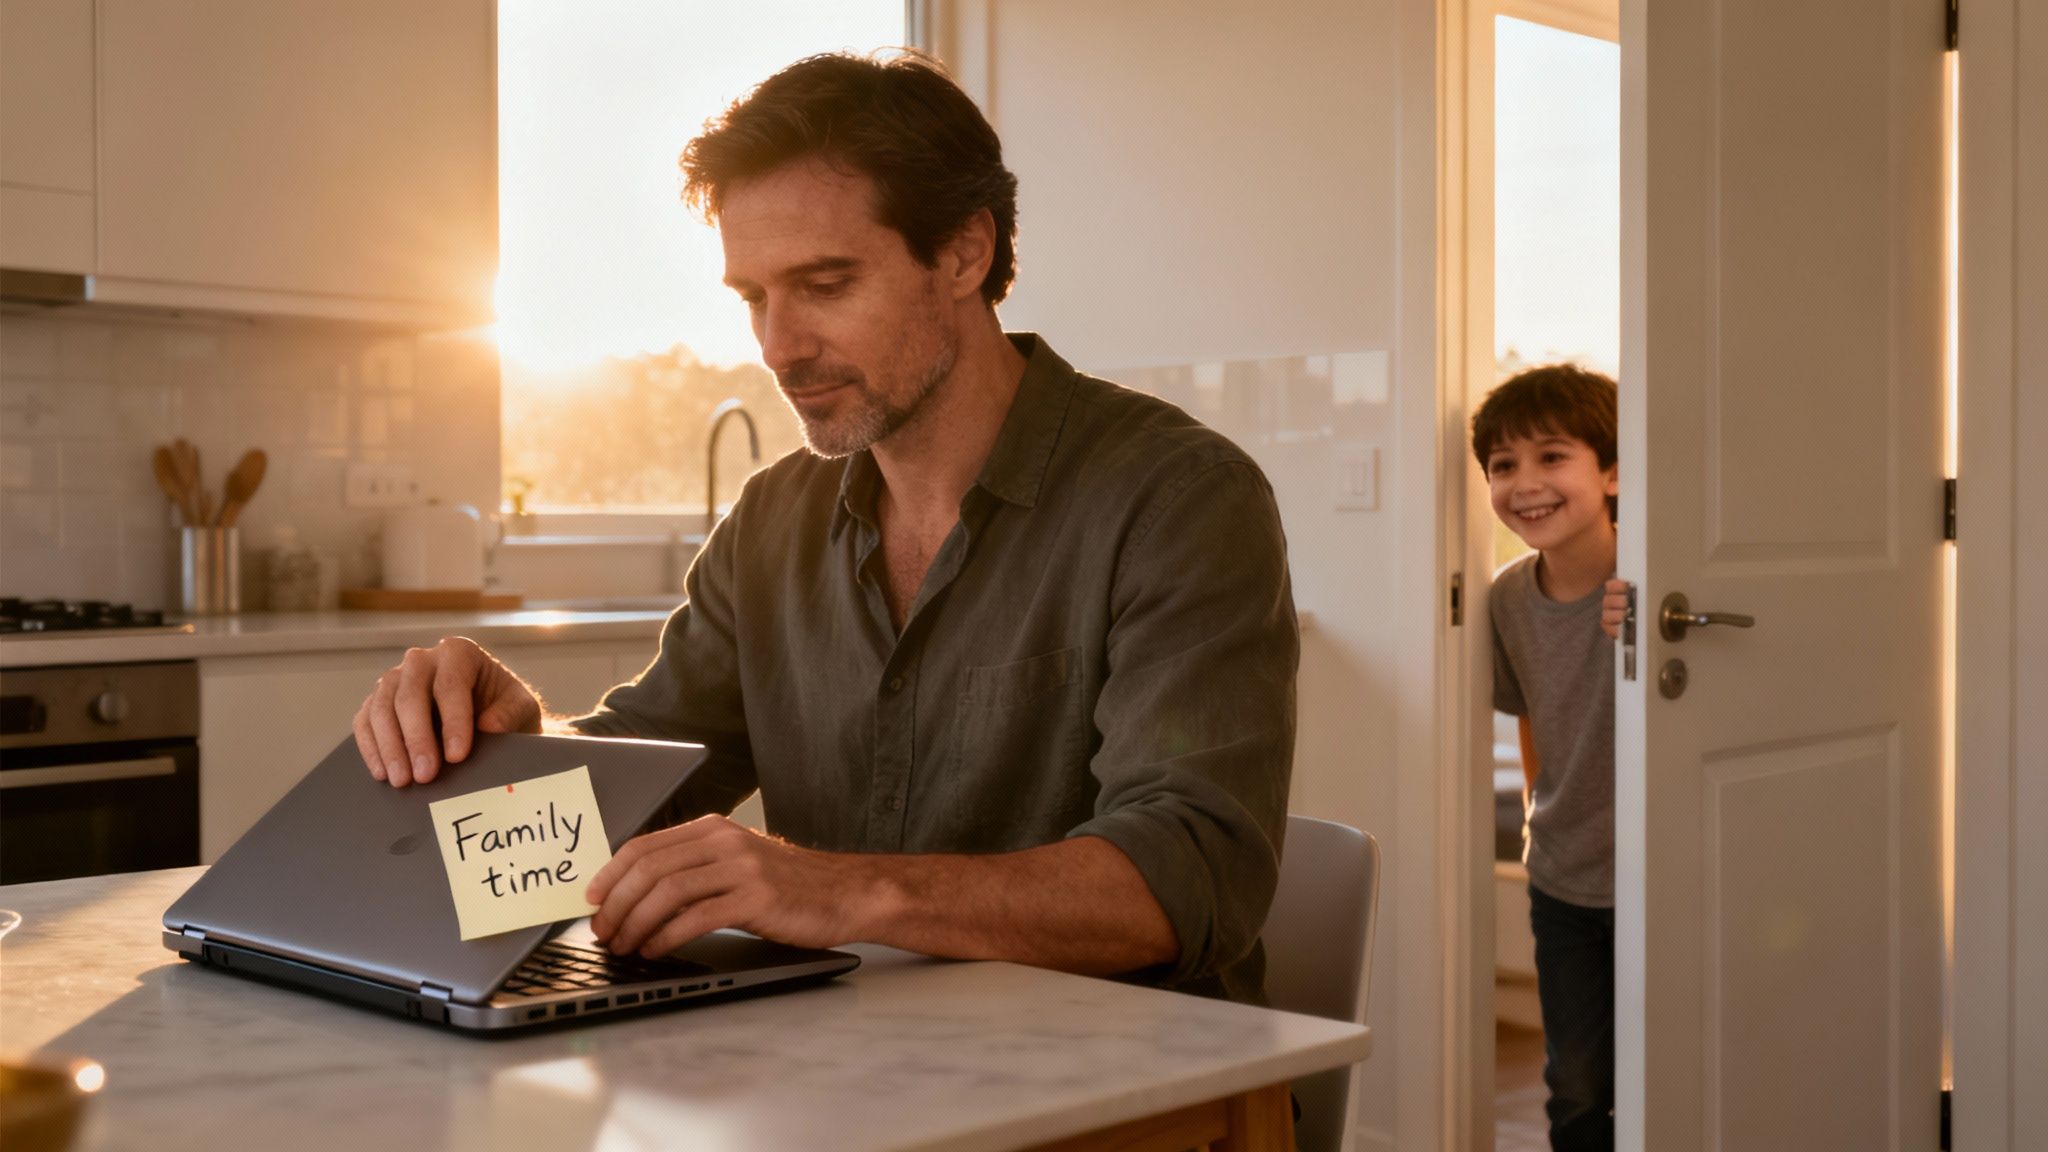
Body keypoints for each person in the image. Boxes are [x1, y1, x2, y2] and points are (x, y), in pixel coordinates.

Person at [350, 51, 1298, 1006]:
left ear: (965, 253)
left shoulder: (1179, 501)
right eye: (754, 297)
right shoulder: (773, 520)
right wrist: (519, 749)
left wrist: (836, 888)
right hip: (862, 1075)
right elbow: (649, 785)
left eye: (827, 284)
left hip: (1140, 1099)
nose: (778, 347)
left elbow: (1193, 877)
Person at [1472, 364, 1619, 1152]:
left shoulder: (1658, 584)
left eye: (1551, 457)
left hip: (1659, 878)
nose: (1525, 483)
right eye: (1503, 465)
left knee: (1665, 1073)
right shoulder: (1504, 599)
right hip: (1563, 878)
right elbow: (1531, 714)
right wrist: (1541, 811)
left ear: (1613, 470)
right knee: (1578, 1087)